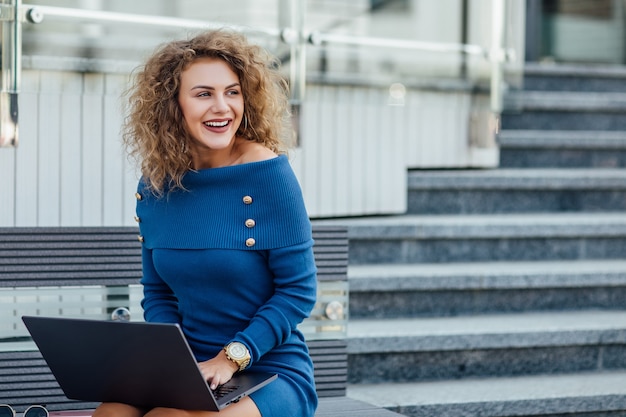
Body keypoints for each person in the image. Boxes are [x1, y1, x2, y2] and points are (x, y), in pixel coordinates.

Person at [92, 29, 318, 417]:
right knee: (109, 414)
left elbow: (298, 291)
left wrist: (229, 359)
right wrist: (171, 362)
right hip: (188, 368)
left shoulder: (268, 175)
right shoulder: (156, 183)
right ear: (172, 105)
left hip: (266, 369)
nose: (222, 107)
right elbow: (158, 292)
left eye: (232, 92)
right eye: (203, 94)